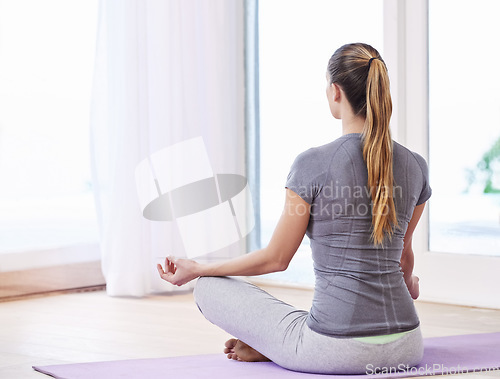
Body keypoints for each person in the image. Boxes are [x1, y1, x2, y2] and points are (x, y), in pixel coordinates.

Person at [157, 42, 431, 374]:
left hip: (336, 350)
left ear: (335, 92)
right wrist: (409, 284)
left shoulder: (313, 163)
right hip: (407, 345)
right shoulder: (415, 166)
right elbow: (403, 257)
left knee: (209, 287)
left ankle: (275, 346)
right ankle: (276, 344)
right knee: (308, 316)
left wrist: (198, 268)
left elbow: (276, 259)